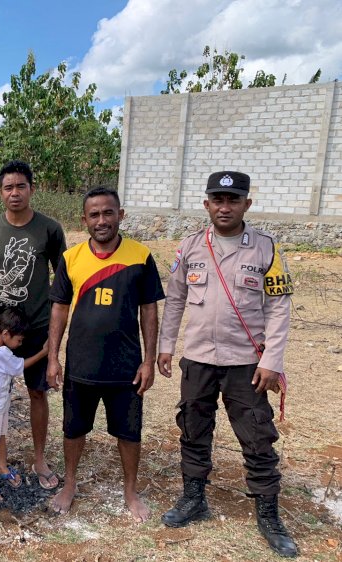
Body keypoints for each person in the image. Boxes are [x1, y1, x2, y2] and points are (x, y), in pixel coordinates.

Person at [157, 171, 297, 557]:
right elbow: (176, 301)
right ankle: (194, 499)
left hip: (246, 363)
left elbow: (279, 308)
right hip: (198, 358)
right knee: (193, 428)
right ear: (206, 204)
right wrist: (166, 346)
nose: (224, 206)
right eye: (217, 199)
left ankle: (268, 514)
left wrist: (272, 360)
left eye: (233, 200)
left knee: (257, 436)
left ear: (246, 204)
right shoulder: (190, 247)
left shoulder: (266, 249)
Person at [46, 186, 164, 520]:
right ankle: (69, 484)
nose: (102, 220)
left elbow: (149, 311)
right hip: (81, 365)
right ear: (84, 219)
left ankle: (130, 491)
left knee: (129, 433)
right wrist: (53, 357)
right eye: (94, 214)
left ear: (120, 215)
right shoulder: (70, 258)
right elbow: (58, 311)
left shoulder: (140, 256)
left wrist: (148, 360)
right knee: (73, 429)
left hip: (126, 367)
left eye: (108, 212)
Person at [0, 160, 66, 490]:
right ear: (0, 192)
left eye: (21, 186)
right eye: (8, 187)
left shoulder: (49, 229)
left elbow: (63, 279)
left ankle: (39, 457)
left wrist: (56, 336)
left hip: (37, 326)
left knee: (37, 391)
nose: (14, 192)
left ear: (32, 189)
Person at [0, 308, 48, 503]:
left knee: (0, 434)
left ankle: (2, 466)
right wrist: (44, 352)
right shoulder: (4, 354)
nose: (20, 344)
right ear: (6, 334)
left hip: (0, 400)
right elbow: (20, 366)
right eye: (19, 340)